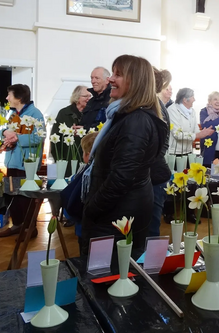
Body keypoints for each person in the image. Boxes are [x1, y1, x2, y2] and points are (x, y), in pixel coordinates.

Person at [81, 55, 168, 257]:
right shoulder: (127, 116)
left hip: (116, 215)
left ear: (136, 82)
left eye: (118, 74)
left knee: (107, 275)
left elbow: (121, 177)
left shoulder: (136, 120)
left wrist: (91, 208)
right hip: (118, 211)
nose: (111, 79)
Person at [0, 84, 44, 238]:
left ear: (19, 98)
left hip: (26, 164)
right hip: (12, 161)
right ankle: (17, 225)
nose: (7, 98)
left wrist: (17, 137)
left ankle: (30, 229)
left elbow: (39, 137)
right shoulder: (11, 114)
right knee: (12, 195)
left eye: (9, 95)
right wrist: (5, 133)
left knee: (26, 197)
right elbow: (1, 131)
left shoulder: (35, 114)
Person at [148, 68, 172, 237]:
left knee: (150, 228)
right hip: (151, 173)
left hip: (153, 175)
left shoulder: (156, 107)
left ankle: (150, 263)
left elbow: (162, 143)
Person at [50, 85, 91, 177]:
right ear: (77, 97)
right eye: (86, 96)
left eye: (90, 96)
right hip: (67, 160)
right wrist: (59, 160)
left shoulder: (91, 113)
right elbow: (55, 138)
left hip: (86, 160)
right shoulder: (64, 113)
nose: (89, 98)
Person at [167, 88, 214, 157]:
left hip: (188, 151)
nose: (194, 100)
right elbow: (177, 134)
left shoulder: (192, 111)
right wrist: (197, 135)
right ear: (185, 100)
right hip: (174, 153)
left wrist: (204, 133)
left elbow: (195, 130)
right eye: (192, 97)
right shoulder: (172, 110)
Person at [199, 91, 219, 167]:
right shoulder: (204, 111)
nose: (218, 101)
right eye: (215, 99)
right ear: (209, 101)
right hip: (210, 150)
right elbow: (207, 126)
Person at [79, 67, 111, 131]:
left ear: (107, 80)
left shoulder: (112, 100)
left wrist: (85, 129)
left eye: (97, 78)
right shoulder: (91, 101)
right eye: (92, 78)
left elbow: (108, 125)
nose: (93, 81)